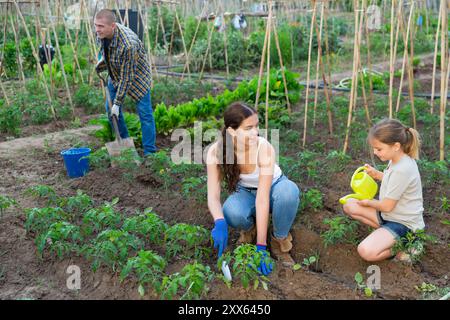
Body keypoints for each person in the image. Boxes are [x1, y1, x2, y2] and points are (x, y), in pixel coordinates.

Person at [207, 102, 300, 275]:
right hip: (246, 192)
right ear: (231, 131)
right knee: (231, 211)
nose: (255, 132)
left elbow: (263, 199)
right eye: (248, 128)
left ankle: (279, 242)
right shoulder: (216, 152)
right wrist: (219, 221)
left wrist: (261, 246)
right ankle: (251, 230)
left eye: (256, 126)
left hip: (274, 188)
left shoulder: (263, 148)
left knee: (289, 193)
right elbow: (213, 196)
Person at [343, 118, 425, 262]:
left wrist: (367, 202)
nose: (375, 152)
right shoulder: (397, 160)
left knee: (366, 251)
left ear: (396, 146)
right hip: (391, 216)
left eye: (379, 149)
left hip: (404, 224)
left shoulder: (402, 169)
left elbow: (387, 206)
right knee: (350, 205)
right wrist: (377, 175)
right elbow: (394, 182)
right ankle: (386, 234)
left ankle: (407, 245)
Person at [94, 9, 157, 156]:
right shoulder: (101, 34)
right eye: (96, 25)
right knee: (111, 113)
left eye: (101, 26)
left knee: (145, 114)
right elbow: (104, 51)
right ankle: (126, 147)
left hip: (137, 78)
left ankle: (150, 153)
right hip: (115, 75)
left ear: (113, 26)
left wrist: (117, 103)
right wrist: (101, 61)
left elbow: (127, 78)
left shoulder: (128, 45)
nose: (97, 29)